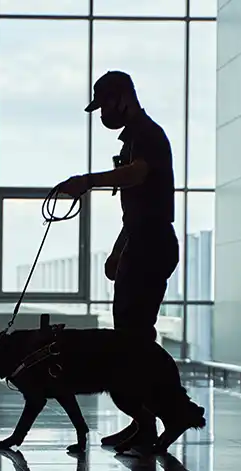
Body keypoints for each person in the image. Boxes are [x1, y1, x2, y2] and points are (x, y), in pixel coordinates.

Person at [57, 71, 180, 449]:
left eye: (104, 106)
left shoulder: (147, 135)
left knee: (134, 341)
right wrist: (117, 249)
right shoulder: (133, 139)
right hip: (141, 243)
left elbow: (138, 176)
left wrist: (88, 181)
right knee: (131, 338)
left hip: (152, 245)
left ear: (123, 98)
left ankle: (155, 419)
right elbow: (137, 212)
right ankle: (143, 420)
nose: (102, 116)